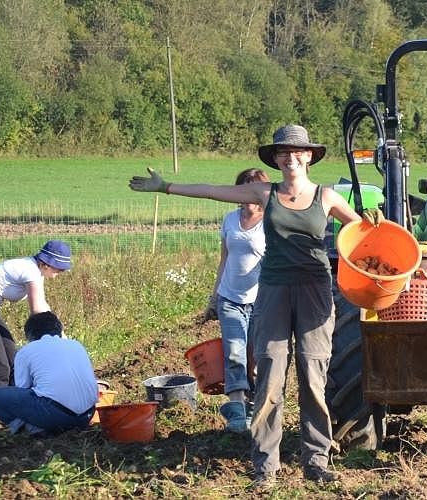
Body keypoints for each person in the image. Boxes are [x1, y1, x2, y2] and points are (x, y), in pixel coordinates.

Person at [131, 124, 360, 486]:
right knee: (269, 378)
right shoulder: (264, 192)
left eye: (296, 152)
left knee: (314, 377)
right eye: (282, 153)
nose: (290, 158)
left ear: (309, 156)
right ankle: (265, 467)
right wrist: (166, 186)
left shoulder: (328, 197)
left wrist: (379, 237)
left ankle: (316, 461)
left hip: (315, 291)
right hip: (273, 291)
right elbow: (211, 191)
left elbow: (360, 234)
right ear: (277, 159)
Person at [206, 168, 269, 433]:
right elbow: (224, 258)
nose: (249, 195)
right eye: (244, 189)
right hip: (230, 297)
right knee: (234, 352)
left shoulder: (271, 222)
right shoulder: (230, 219)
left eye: (255, 189)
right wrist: (214, 294)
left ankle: (255, 403)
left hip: (260, 300)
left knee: (255, 357)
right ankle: (237, 410)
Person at [0, 311, 98, 436]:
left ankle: (32, 428)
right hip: (87, 415)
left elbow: (23, 388)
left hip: (55, 415)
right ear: (59, 330)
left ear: (30, 335)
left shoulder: (26, 351)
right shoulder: (76, 345)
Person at [0, 240, 73, 388]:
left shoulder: (37, 271)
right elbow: (37, 310)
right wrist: (55, 337)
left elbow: (42, 304)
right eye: (59, 269)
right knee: (1, 366)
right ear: (46, 264)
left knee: (13, 360)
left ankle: (12, 402)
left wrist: (61, 331)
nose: (60, 273)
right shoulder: (30, 270)